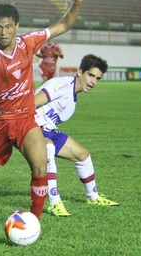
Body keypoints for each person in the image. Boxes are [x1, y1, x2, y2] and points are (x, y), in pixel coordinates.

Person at [0, 0, 86, 222]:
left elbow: (64, 25)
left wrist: (77, 3)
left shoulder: (28, 42)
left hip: (25, 119)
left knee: (40, 166)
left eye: (8, 26)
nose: (3, 32)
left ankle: (33, 220)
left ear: (16, 26)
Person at [34, 54, 119, 217]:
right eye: (91, 75)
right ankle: (54, 202)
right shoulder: (62, 85)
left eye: (98, 78)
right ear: (80, 72)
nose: (93, 82)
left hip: (48, 130)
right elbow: (31, 102)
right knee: (48, 147)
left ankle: (93, 197)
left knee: (83, 155)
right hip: (30, 127)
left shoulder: (73, 99)